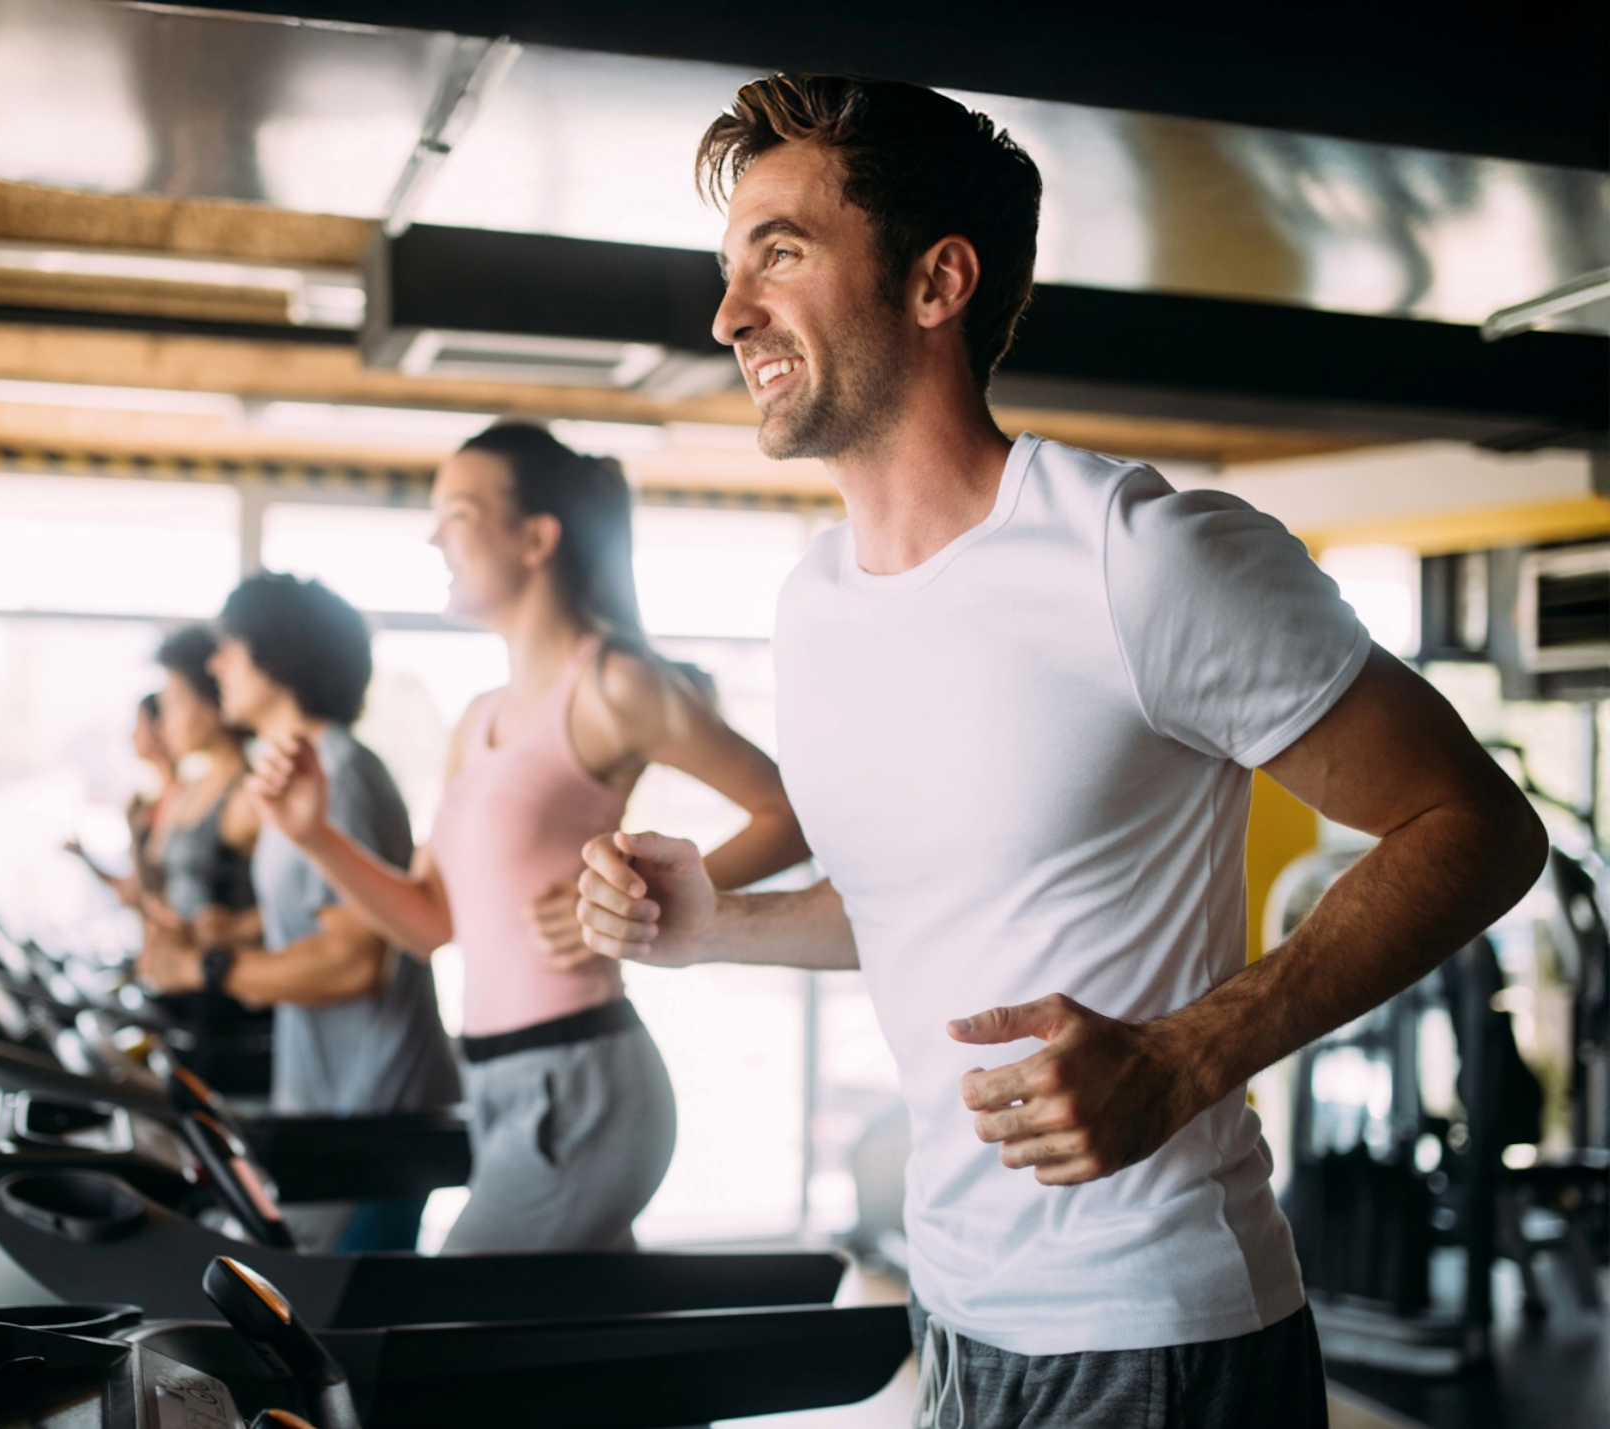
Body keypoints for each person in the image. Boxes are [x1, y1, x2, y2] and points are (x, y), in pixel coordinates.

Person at [572, 75, 1546, 1429]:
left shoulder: (1138, 558)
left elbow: (1478, 826)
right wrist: (711, 923)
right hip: (955, 1312)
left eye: (780, 254)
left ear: (936, 284)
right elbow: (915, 912)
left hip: (1157, 1332)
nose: (729, 313)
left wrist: (1186, 1057)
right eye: (731, 266)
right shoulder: (817, 603)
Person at [252, 424, 811, 1253]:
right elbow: (429, 923)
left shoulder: (613, 685)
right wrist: (315, 834)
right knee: (566, 1351)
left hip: (581, 1082)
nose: (434, 536)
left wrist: (650, 897)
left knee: (454, 1319)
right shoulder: (475, 721)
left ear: (537, 538)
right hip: (497, 1083)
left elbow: (790, 814)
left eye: (459, 514)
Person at [139, 573, 460, 1252]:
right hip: (333, 1094)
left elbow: (353, 961)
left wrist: (205, 965)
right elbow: (329, 910)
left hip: (372, 1108)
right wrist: (235, 929)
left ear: (278, 659)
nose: (216, 663)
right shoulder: (296, 770)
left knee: (354, 1321)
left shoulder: (337, 775)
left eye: (231, 648)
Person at [143, 624, 269, 1094]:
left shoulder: (249, 794)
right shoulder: (190, 790)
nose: (164, 720)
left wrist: (236, 928)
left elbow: (295, 906)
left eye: (175, 701)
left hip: (232, 1004)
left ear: (211, 703)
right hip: (186, 996)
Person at [67, 691, 176, 905]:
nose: (132, 736)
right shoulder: (147, 803)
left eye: (139, 726)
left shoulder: (181, 801)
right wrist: (86, 858)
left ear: (161, 727)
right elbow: (133, 893)